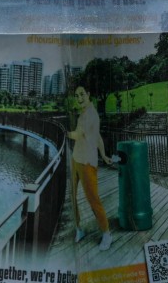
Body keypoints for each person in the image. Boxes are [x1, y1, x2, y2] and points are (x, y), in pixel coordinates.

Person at [69, 85, 114, 250]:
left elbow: (77, 135)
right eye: (76, 95)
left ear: (88, 94)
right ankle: (79, 228)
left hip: (87, 163)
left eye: (82, 94)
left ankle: (107, 234)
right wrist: (104, 155)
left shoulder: (91, 115)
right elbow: (98, 137)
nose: (79, 98)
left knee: (93, 200)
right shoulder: (84, 113)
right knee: (73, 196)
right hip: (75, 159)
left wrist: (64, 133)